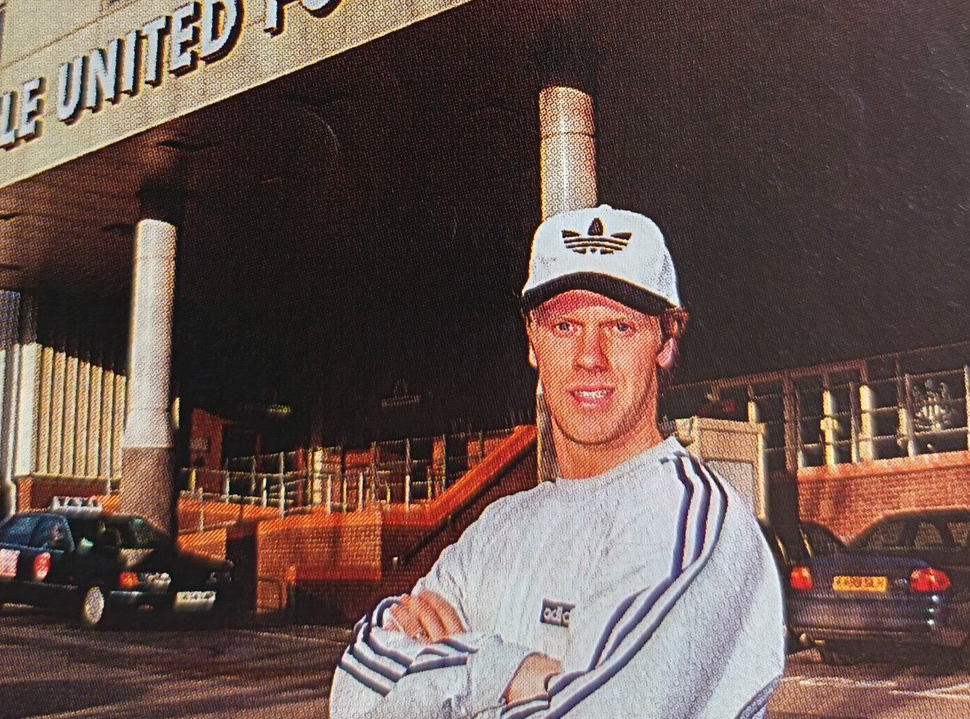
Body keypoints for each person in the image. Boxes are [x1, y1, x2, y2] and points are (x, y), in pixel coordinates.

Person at [330, 205, 785, 718]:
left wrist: (439, 678)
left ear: (664, 341)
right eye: (565, 325)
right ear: (533, 341)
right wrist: (506, 671)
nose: (590, 356)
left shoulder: (693, 523)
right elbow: (354, 696)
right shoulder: (499, 529)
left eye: (620, 326)